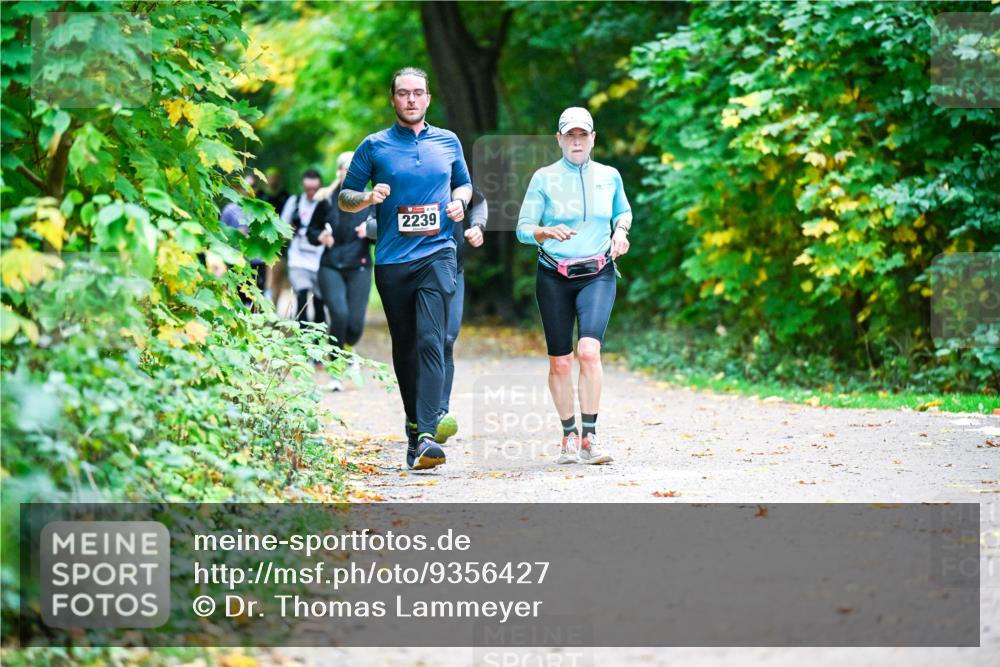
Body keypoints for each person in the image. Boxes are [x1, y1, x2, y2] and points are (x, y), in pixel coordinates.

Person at [339, 66, 473, 470]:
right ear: (393, 99)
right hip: (394, 261)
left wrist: (460, 202)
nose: (411, 99)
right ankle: (414, 428)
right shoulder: (374, 146)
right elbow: (345, 197)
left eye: (418, 93)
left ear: (428, 99)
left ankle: (429, 434)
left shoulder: (448, 142)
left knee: (433, 340)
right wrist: (365, 198)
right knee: (406, 348)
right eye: (403, 93)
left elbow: (465, 184)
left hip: (438, 252)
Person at [515, 106, 632, 465]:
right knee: (561, 363)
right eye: (570, 135)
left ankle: (590, 438)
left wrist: (621, 232)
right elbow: (522, 229)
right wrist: (544, 231)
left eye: (583, 135)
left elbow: (623, 212)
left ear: (593, 138)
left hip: (598, 272)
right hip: (554, 276)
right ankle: (568, 436)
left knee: (589, 352)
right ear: (559, 139)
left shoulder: (609, 176)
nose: (577, 141)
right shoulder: (543, 178)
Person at [366, 187, 487, 422]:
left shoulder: (449, 167)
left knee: (446, 339)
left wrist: (477, 226)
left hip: (452, 270)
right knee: (416, 342)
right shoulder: (395, 173)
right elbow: (370, 223)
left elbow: (479, 201)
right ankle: (416, 412)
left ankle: (438, 412)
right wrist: (391, 225)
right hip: (408, 270)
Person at [308, 152, 376, 392]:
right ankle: (335, 370)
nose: (350, 173)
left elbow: (383, 230)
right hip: (331, 265)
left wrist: (369, 232)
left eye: (354, 169)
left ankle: (349, 350)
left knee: (355, 326)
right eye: (346, 169)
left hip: (359, 265)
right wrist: (320, 236)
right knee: (339, 315)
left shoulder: (371, 199)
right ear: (339, 172)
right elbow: (311, 231)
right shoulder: (326, 199)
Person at [280, 168, 326, 328]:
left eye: (315, 189)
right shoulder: (295, 201)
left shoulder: (326, 203)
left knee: (320, 303)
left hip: (320, 259)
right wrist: (291, 229)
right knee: (301, 297)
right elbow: (282, 227)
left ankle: (318, 341)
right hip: (298, 258)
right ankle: (304, 339)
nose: (311, 193)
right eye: (308, 189)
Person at [219, 174, 267, 305]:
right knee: (237, 300)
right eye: (244, 187)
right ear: (239, 189)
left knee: (256, 302)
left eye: (251, 187)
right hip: (236, 261)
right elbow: (220, 236)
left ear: (256, 189)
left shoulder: (262, 210)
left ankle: (257, 324)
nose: (247, 190)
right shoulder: (229, 210)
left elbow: (270, 237)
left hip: (257, 262)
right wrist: (235, 234)